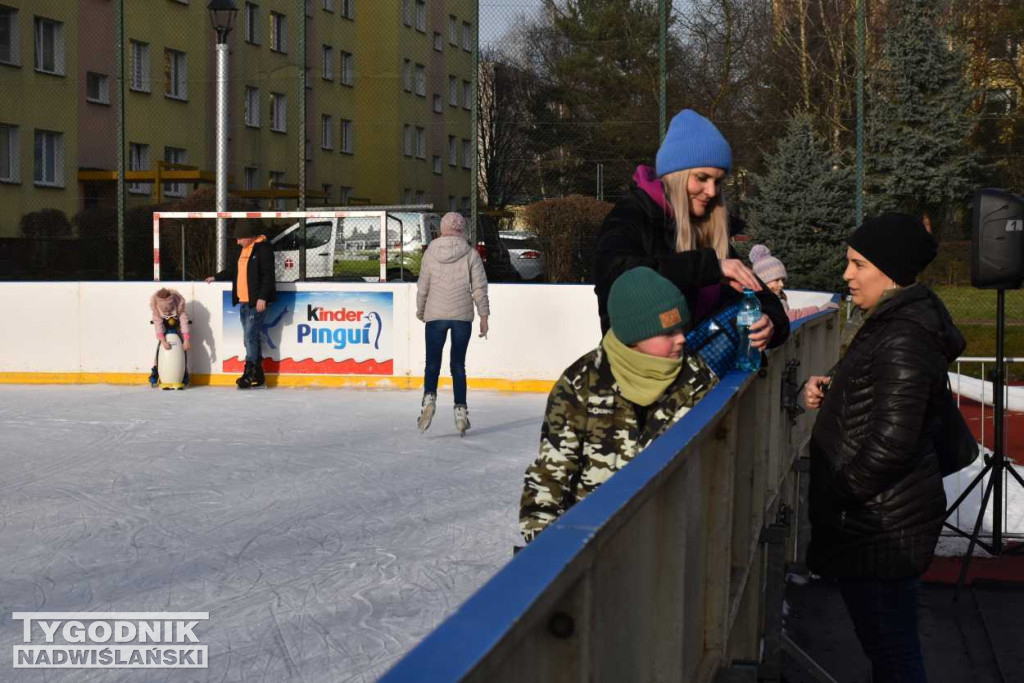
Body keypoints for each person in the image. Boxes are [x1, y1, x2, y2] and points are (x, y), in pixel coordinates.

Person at [802, 214, 964, 683]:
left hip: (880, 527)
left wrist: (838, 491)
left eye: (858, 264)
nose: (847, 275)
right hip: (880, 521)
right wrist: (833, 388)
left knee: (894, 656)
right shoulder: (896, 324)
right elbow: (885, 398)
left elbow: (893, 441)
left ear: (889, 270)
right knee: (890, 651)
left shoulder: (903, 334)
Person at [519, 267, 718, 543]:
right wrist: (540, 546)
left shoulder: (697, 380)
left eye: (682, 328)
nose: (682, 338)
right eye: (668, 332)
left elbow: (713, 468)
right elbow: (551, 473)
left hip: (669, 541)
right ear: (635, 335)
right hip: (592, 540)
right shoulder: (581, 382)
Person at [593, 109, 789, 353]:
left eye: (717, 181)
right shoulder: (632, 214)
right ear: (676, 176)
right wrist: (709, 268)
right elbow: (615, 277)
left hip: (699, 379)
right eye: (701, 178)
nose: (711, 191)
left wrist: (770, 322)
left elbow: (765, 297)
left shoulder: (708, 227)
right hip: (640, 377)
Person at [416, 212, 490, 435]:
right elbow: (479, 287)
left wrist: (421, 311)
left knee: (432, 363)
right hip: (462, 318)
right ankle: (460, 412)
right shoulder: (471, 254)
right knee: (458, 365)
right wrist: (484, 316)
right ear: (462, 229)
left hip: (435, 316)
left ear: (442, 228)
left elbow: (423, 286)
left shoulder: (430, 252)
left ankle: (429, 399)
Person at [205, 222, 277, 389]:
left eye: (240, 238)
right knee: (249, 338)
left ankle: (250, 372)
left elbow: (268, 275)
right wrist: (216, 277)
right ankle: (258, 375)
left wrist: (262, 298)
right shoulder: (243, 250)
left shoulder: (263, 249)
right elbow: (233, 269)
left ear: (249, 237)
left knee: (250, 337)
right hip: (243, 301)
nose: (237, 242)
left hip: (256, 302)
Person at [748, 245, 840, 321]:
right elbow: (790, 316)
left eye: (782, 280)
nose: (782, 285)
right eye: (776, 280)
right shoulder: (760, 304)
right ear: (762, 282)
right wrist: (818, 310)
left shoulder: (777, 300)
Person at [147, 287, 191, 387]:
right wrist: (162, 340)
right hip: (165, 332)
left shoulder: (179, 306)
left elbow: (184, 322)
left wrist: (186, 340)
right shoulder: (156, 310)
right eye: (164, 311)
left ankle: (183, 374)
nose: (167, 313)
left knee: (182, 354)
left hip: (177, 332)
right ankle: (155, 373)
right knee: (158, 353)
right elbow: (158, 326)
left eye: (169, 310)